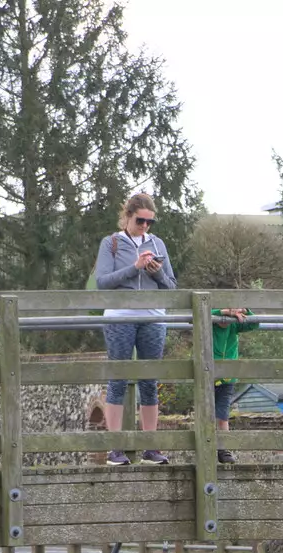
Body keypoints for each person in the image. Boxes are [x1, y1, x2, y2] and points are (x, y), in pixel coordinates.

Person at [93, 192, 176, 465]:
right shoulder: (111, 243)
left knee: (150, 381)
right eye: (140, 221)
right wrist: (134, 267)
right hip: (120, 317)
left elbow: (171, 286)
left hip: (153, 317)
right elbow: (102, 282)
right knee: (118, 378)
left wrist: (156, 272)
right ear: (128, 216)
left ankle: (151, 447)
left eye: (149, 222)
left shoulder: (158, 244)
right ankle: (115, 448)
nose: (145, 227)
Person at [211, 307, 258, 463]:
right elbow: (202, 313)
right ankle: (207, 448)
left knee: (223, 414)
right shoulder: (210, 322)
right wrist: (224, 312)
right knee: (206, 414)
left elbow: (254, 323)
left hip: (227, 378)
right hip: (208, 376)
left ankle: (223, 449)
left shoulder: (234, 325)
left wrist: (245, 310)